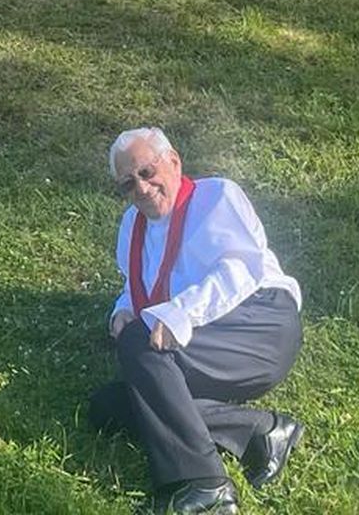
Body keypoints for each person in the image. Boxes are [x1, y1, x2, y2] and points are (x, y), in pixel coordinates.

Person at [89, 127, 304, 515]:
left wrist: (178, 314)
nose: (141, 187)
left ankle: (206, 485)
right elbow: (137, 283)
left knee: (141, 342)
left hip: (260, 324)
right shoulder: (131, 226)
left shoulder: (216, 196)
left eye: (147, 171)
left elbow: (241, 269)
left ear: (174, 160)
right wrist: (122, 310)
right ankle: (259, 431)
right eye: (127, 183)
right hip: (200, 338)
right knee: (108, 406)